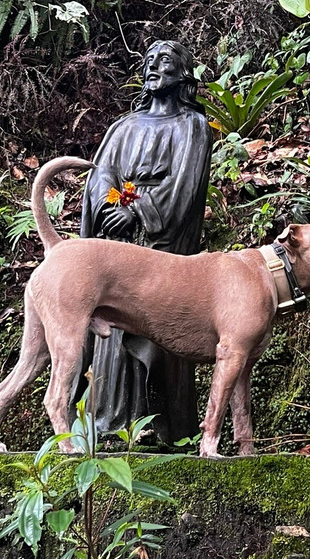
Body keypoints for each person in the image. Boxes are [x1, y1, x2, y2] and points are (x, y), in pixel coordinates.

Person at [74, 40, 213, 443]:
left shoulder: (193, 126)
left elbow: (185, 188)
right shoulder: (123, 127)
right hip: (116, 240)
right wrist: (110, 207)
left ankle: (158, 430)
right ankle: (104, 426)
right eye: (148, 61)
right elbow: (100, 176)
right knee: (108, 332)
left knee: (157, 328)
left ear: (184, 74)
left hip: (161, 248)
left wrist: (138, 209)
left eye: (164, 61)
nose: (154, 67)